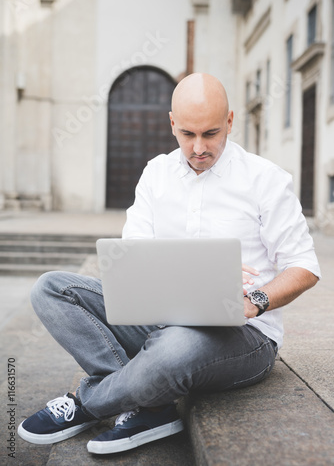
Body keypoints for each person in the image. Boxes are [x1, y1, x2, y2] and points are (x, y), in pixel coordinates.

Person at [18, 73, 320, 455]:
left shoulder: (266, 180)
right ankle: (150, 403)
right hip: (159, 322)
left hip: (245, 337)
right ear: (172, 124)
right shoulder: (156, 174)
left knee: (175, 345)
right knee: (50, 288)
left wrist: (254, 300)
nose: (198, 147)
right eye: (187, 134)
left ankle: (87, 402)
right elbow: (135, 259)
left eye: (210, 133)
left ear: (230, 121)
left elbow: (304, 266)